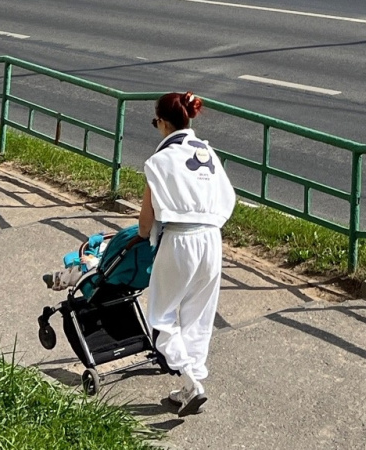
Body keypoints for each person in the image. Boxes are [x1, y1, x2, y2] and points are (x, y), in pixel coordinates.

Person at [138, 91, 236, 416]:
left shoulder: (160, 162)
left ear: (164, 123)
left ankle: (190, 380)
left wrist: (144, 237)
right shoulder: (207, 151)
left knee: (162, 316)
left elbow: (144, 223)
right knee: (198, 316)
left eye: (157, 123)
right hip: (212, 239)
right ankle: (191, 384)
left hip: (181, 240)